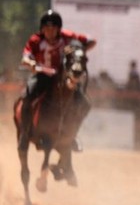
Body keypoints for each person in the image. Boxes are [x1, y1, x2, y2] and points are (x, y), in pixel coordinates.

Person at [18, 10, 96, 151]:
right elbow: (25, 57)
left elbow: (91, 41)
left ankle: (72, 136)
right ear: (42, 29)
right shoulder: (36, 40)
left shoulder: (67, 37)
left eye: (53, 28)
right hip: (42, 76)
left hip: (63, 78)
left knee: (85, 104)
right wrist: (31, 63)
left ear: (58, 29)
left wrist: (80, 50)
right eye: (47, 28)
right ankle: (25, 133)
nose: (50, 32)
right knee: (27, 98)